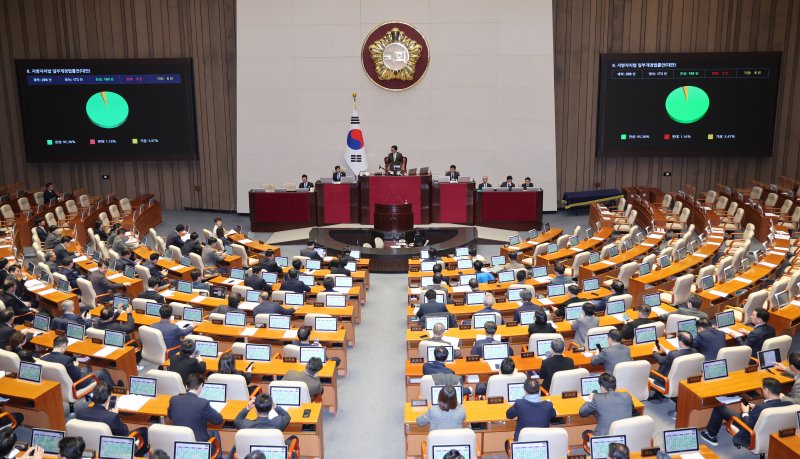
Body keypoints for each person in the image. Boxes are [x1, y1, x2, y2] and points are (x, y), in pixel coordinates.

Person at [700, 377, 790, 447]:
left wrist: (745, 412)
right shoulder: (788, 404)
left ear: (766, 390)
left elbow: (748, 425)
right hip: (773, 432)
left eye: (762, 388)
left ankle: (711, 436)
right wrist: (755, 408)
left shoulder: (761, 408)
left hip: (750, 427)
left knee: (719, 408)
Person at [76, 382, 149, 454]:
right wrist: (116, 415)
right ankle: (138, 455)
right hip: (110, 449)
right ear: (109, 398)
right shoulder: (112, 417)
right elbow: (125, 433)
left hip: (88, 447)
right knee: (144, 430)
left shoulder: (80, 412)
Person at [168, 373, 224, 442]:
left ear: (186, 387)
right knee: (215, 433)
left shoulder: (174, 400)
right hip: (197, 444)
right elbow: (218, 420)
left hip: (177, 441)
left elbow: (170, 416)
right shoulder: (203, 403)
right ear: (201, 386)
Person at [42, 336, 115, 388]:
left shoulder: (44, 358)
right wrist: (76, 365)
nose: (66, 348)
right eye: (66, 346)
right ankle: (115, 390)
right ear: (63, 346)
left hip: (58, 385)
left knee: (87, 368)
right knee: (103, 372)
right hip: (75, 384)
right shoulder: (67, 360)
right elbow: (77, 376)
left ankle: (93, 391)